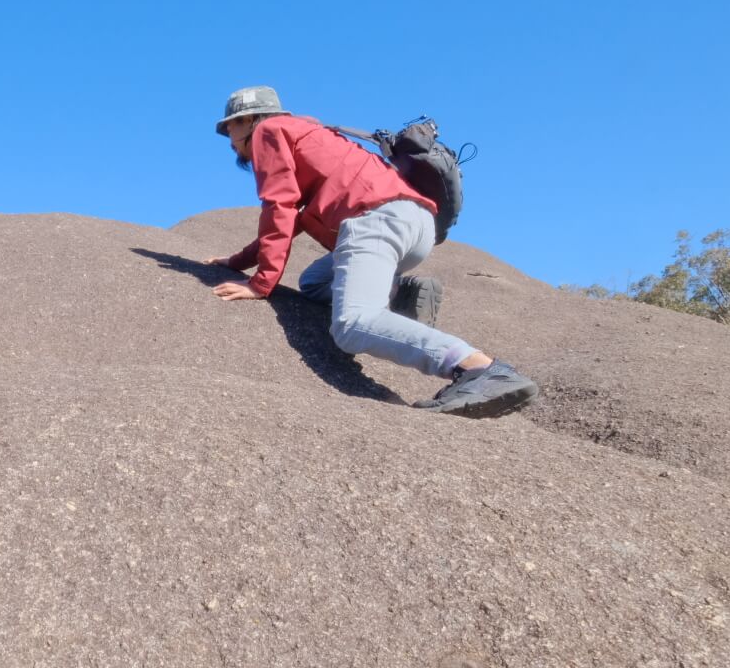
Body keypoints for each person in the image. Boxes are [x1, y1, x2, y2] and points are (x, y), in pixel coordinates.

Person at [206, 85, 539, 418]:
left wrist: (260, 284)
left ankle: (478, 368)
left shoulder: (269, 131)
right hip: (417, 224)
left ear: (250, 120)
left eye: (230, 128)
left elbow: (279, 204)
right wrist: (238, 262)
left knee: (352, 325)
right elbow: (293, 220)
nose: (230, 139)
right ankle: (400, 295)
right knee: (314, 282)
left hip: (376, 220)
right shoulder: (311, 132)